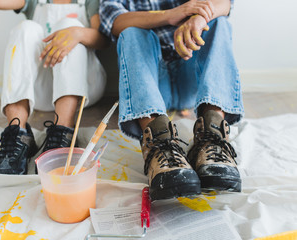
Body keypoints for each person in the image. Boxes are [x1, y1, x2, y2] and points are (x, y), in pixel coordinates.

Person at [99, 0, 244, 200]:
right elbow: (113, 21)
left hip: (191, 71)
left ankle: (213, 136)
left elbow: (225, 3)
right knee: (130, 33)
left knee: (218, 23)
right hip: (154, 85)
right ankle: (159, 142)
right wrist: (171, 14)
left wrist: (200, 17)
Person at [0, 0, 108, 174]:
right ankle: (17, 134)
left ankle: (64, 131)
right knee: (24, 28)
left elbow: (104, 40)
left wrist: (77, 33)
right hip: (41, 91)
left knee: (70, 25)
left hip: (83, 87)